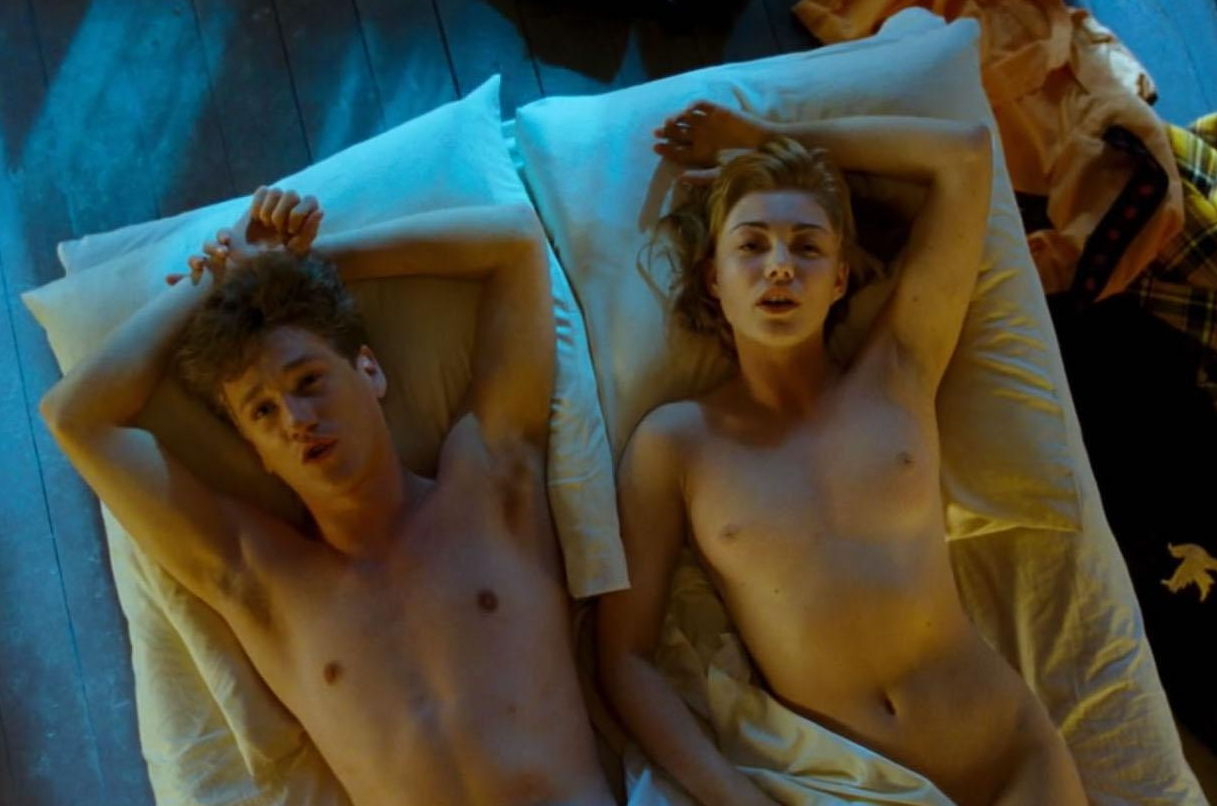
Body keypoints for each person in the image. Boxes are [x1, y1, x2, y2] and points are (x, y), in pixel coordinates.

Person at [40, 188, 615, 806]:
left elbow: (514, 241)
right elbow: (76, 418)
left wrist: (299, 265)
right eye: (263, 412)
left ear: (369, 371)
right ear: (256, 449)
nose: (296, 418)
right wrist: (212, 282)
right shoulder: (262, 581)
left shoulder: (490, 487)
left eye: (309, 381)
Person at [597, 102, 1089, 806]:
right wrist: (734, 797)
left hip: (1008, 757)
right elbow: (624, 657)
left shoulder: (897, 369)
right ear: (713, 280)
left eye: (806, 248)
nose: (778, 268)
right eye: (751, 245)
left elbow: (964, 154)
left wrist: (764, 138)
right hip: (844, 788)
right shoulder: (674, 445)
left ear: (838, 280)